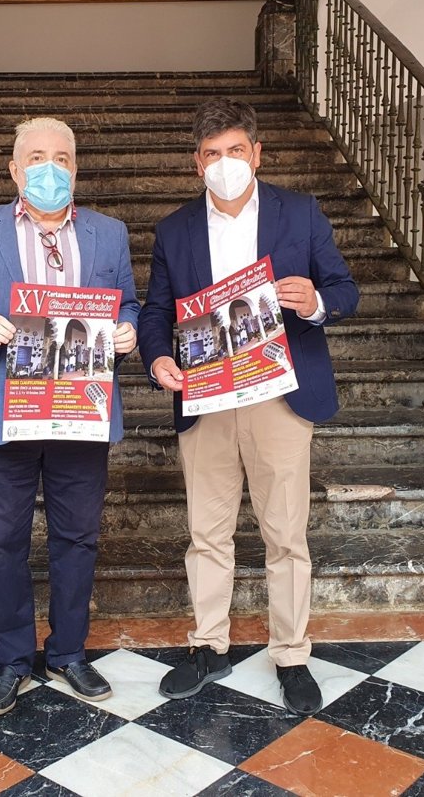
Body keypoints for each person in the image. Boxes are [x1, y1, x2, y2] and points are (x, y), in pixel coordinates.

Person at [138, 98, 359, 716]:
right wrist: (158, 359)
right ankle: (209, 645)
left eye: (236, 150)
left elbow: (345, 289)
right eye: (212, 154)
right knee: (206, 533)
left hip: (278, 398)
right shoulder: (175, 229)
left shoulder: (300, 212)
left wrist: (316, 301)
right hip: (206, 397)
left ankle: (290, 653)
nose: (225, 163)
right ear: (196, 163)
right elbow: (155, 311)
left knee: (285, 534)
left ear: (257, 154)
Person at [0, 117, 139, 716]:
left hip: (81, 410)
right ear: (14, 169)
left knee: (77, 537)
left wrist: (127, 330)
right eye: (36, 158)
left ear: (75, 168)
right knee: (2, 541)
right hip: (5, 411)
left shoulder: (109, 233)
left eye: (61, 158)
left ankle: (69, 652)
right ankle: (11, 660)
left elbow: (128, 303)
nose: (49, 168)